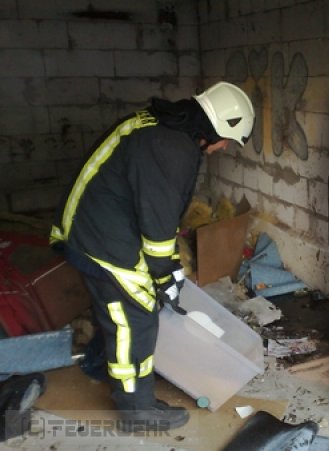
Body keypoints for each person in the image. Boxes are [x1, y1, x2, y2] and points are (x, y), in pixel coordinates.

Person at [49, 82, 255, 432]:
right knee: (135, 319)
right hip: (103, 236)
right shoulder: (171, 147)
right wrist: (163, 273)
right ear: (218, 127)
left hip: (100, 224)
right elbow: (157, 223)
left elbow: (159, 214)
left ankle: (104, 368)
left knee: (125, 312)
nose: (223, 148)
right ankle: (136, 410)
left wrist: (167, 270)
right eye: (227, 141)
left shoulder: (165, 128)